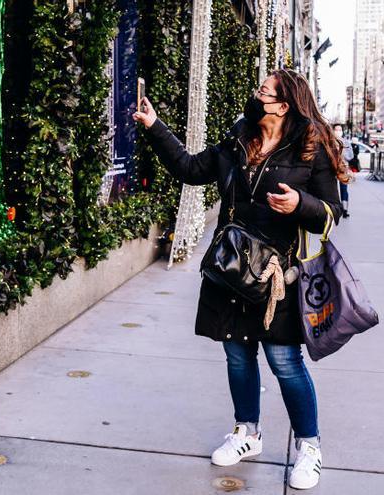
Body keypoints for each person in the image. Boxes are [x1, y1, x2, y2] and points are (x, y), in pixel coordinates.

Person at [134, 69, 344, 490]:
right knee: (237, 354)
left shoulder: (309, 148)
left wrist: (299, 203)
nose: (256, 96)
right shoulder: (238, 139)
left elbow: (331, 213)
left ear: (283, 106)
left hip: (276, 277)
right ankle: (247, 432)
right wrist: (156, 127)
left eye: (264, 93)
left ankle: (309, 446)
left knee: (284, 361)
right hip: (230, 269)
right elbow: (192, 169)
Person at [334, 123, 353, 217]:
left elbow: (351, 156)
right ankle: (335, 208)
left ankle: (345, 209)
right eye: (336, 129)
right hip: (332, 168)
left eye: (339, 130)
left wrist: (342, 152)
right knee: (332, 188)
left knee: (344, 188)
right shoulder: (330, 141)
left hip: (343, 168)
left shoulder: (346, 142)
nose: (338, 131)